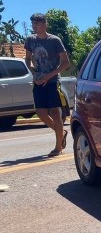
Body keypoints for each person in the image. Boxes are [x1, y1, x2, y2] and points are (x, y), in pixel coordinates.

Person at [24, 13, 71, 157]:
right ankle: (61, 132)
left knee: (55, 112)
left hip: (52, 81)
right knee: (41, 113)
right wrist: (34, 73)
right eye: (33, 24)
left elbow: (65, 63)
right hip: (38, 81)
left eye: (37, 24)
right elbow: (27, 59)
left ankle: (58, 147)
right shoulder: (30, 40)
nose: (34, 27)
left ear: (45, 24)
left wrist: (49, 76)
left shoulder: (55, 41)